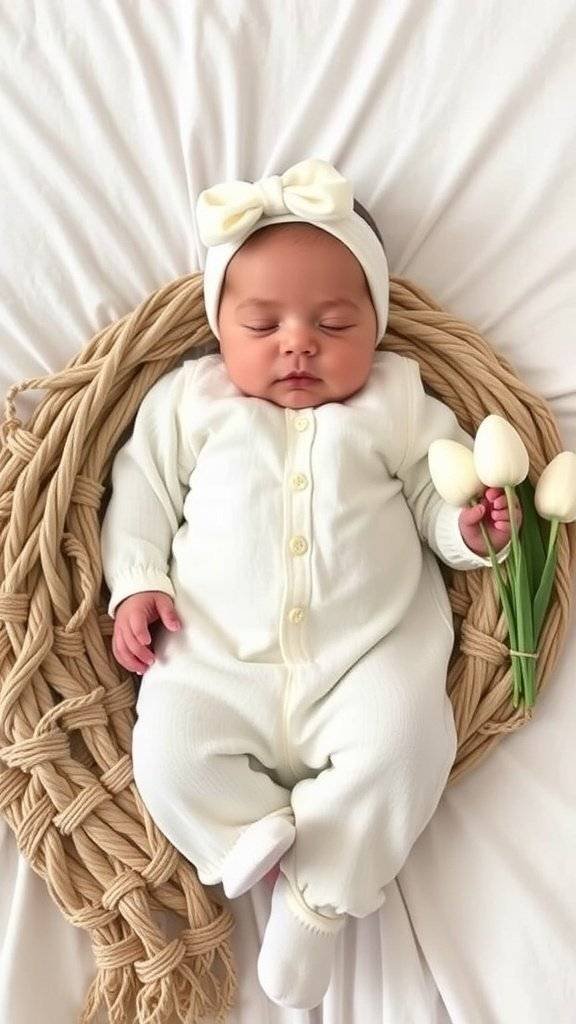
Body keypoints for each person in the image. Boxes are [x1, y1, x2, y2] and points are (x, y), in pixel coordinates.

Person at [100, 158, 521, 1010]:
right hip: (215, 661)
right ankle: (242, 837)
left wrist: (467, 531)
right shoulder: (191, 402)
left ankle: (316, 896)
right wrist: (136, 583)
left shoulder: (400, 402)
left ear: (378, 324)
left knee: (412, 741)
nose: (298, 342)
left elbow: (433, 498)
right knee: (167, 749)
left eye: (333, 322)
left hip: (363, 665)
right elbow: (138, 490)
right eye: (263, 323)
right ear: (218, 326)